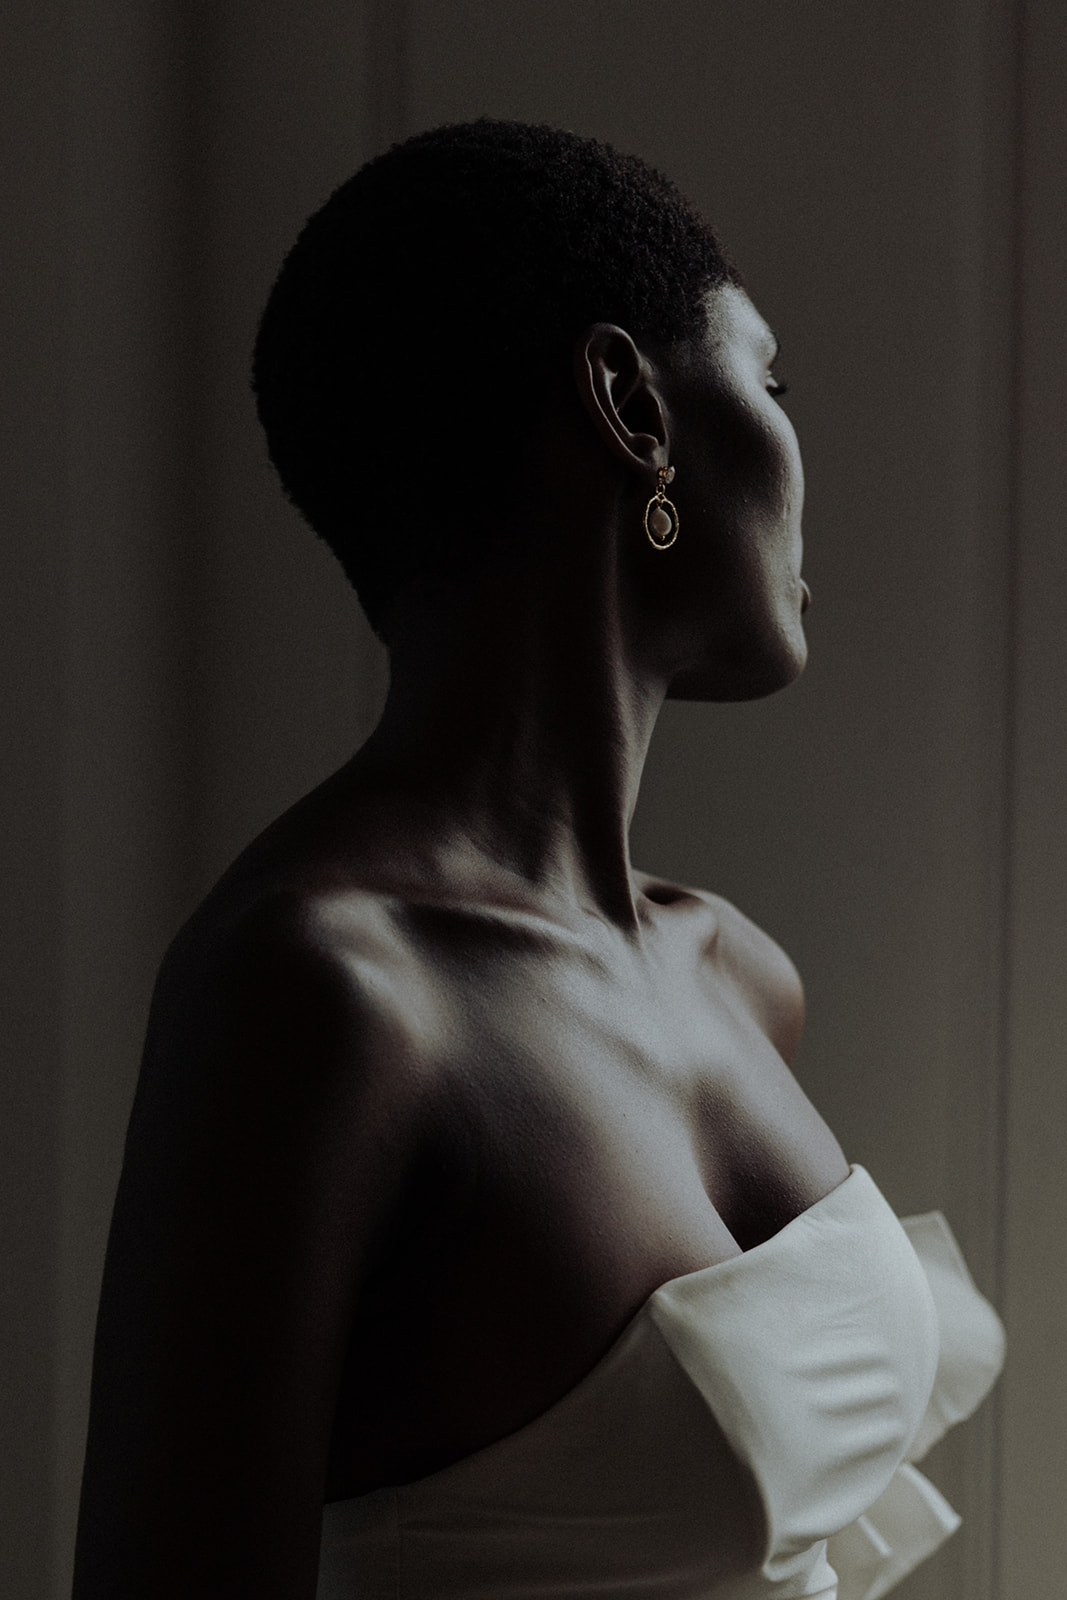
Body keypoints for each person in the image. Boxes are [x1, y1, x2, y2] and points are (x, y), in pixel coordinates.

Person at [72, 121, 1003, 1600]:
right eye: (768, 381)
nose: (802, 454)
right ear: (634, 405)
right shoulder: (322, 992)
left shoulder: (737, 976)